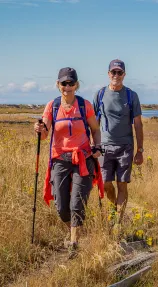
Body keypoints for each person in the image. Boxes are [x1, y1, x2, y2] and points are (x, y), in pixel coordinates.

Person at [34, 67, 103, 257]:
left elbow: (95, 130)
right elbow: (45, 133)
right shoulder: (52, 106)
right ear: (58, 85)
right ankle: (73, 229)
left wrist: (97, 146)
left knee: (77, 203)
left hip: (83, 158)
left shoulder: (84, 105)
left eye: (71, 83)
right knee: (62, 207)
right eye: (64, 83)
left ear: (77, 85)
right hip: (60, 159)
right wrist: (40, 129)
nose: (67, 86)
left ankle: (74, 243)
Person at [93, 59, 143, 225]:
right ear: (108, 74)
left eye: (119, 72)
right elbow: (93, 123)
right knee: (106, 184)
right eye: (113, 72)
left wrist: (140, 151)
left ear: (124, 75)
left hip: (125, 147)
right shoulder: (100, 94)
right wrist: (93, 146)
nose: (116, 75)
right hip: (105, 147)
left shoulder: (131, 95)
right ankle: (114, 208)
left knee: (122, 184)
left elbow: (137, 124)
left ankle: (117, 224)